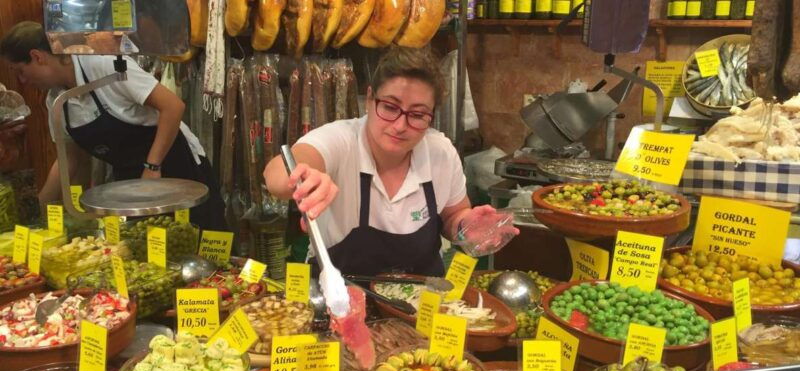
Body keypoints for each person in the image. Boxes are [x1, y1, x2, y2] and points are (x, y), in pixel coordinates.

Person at [265, 47, 518, 276]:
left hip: (421, 304)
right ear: (370, 99)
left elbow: (453, 215)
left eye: (417, 114)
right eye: (389, 107)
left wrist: (466, 226)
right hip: (343, 302)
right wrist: (305, 176)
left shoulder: (440, 153)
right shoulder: (342, 140)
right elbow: (277, 172)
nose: (400, 126)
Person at [0, 21, 226, 231]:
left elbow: (173, 106)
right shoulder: (57, 101)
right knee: (147, 256)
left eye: (21, 71)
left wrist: (152, 167)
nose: (23, 81)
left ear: (37, 56)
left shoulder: (105, 65)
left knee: (199, 242)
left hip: (176, 168)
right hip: (128, 184)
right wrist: (38, 212)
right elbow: (68, 160)